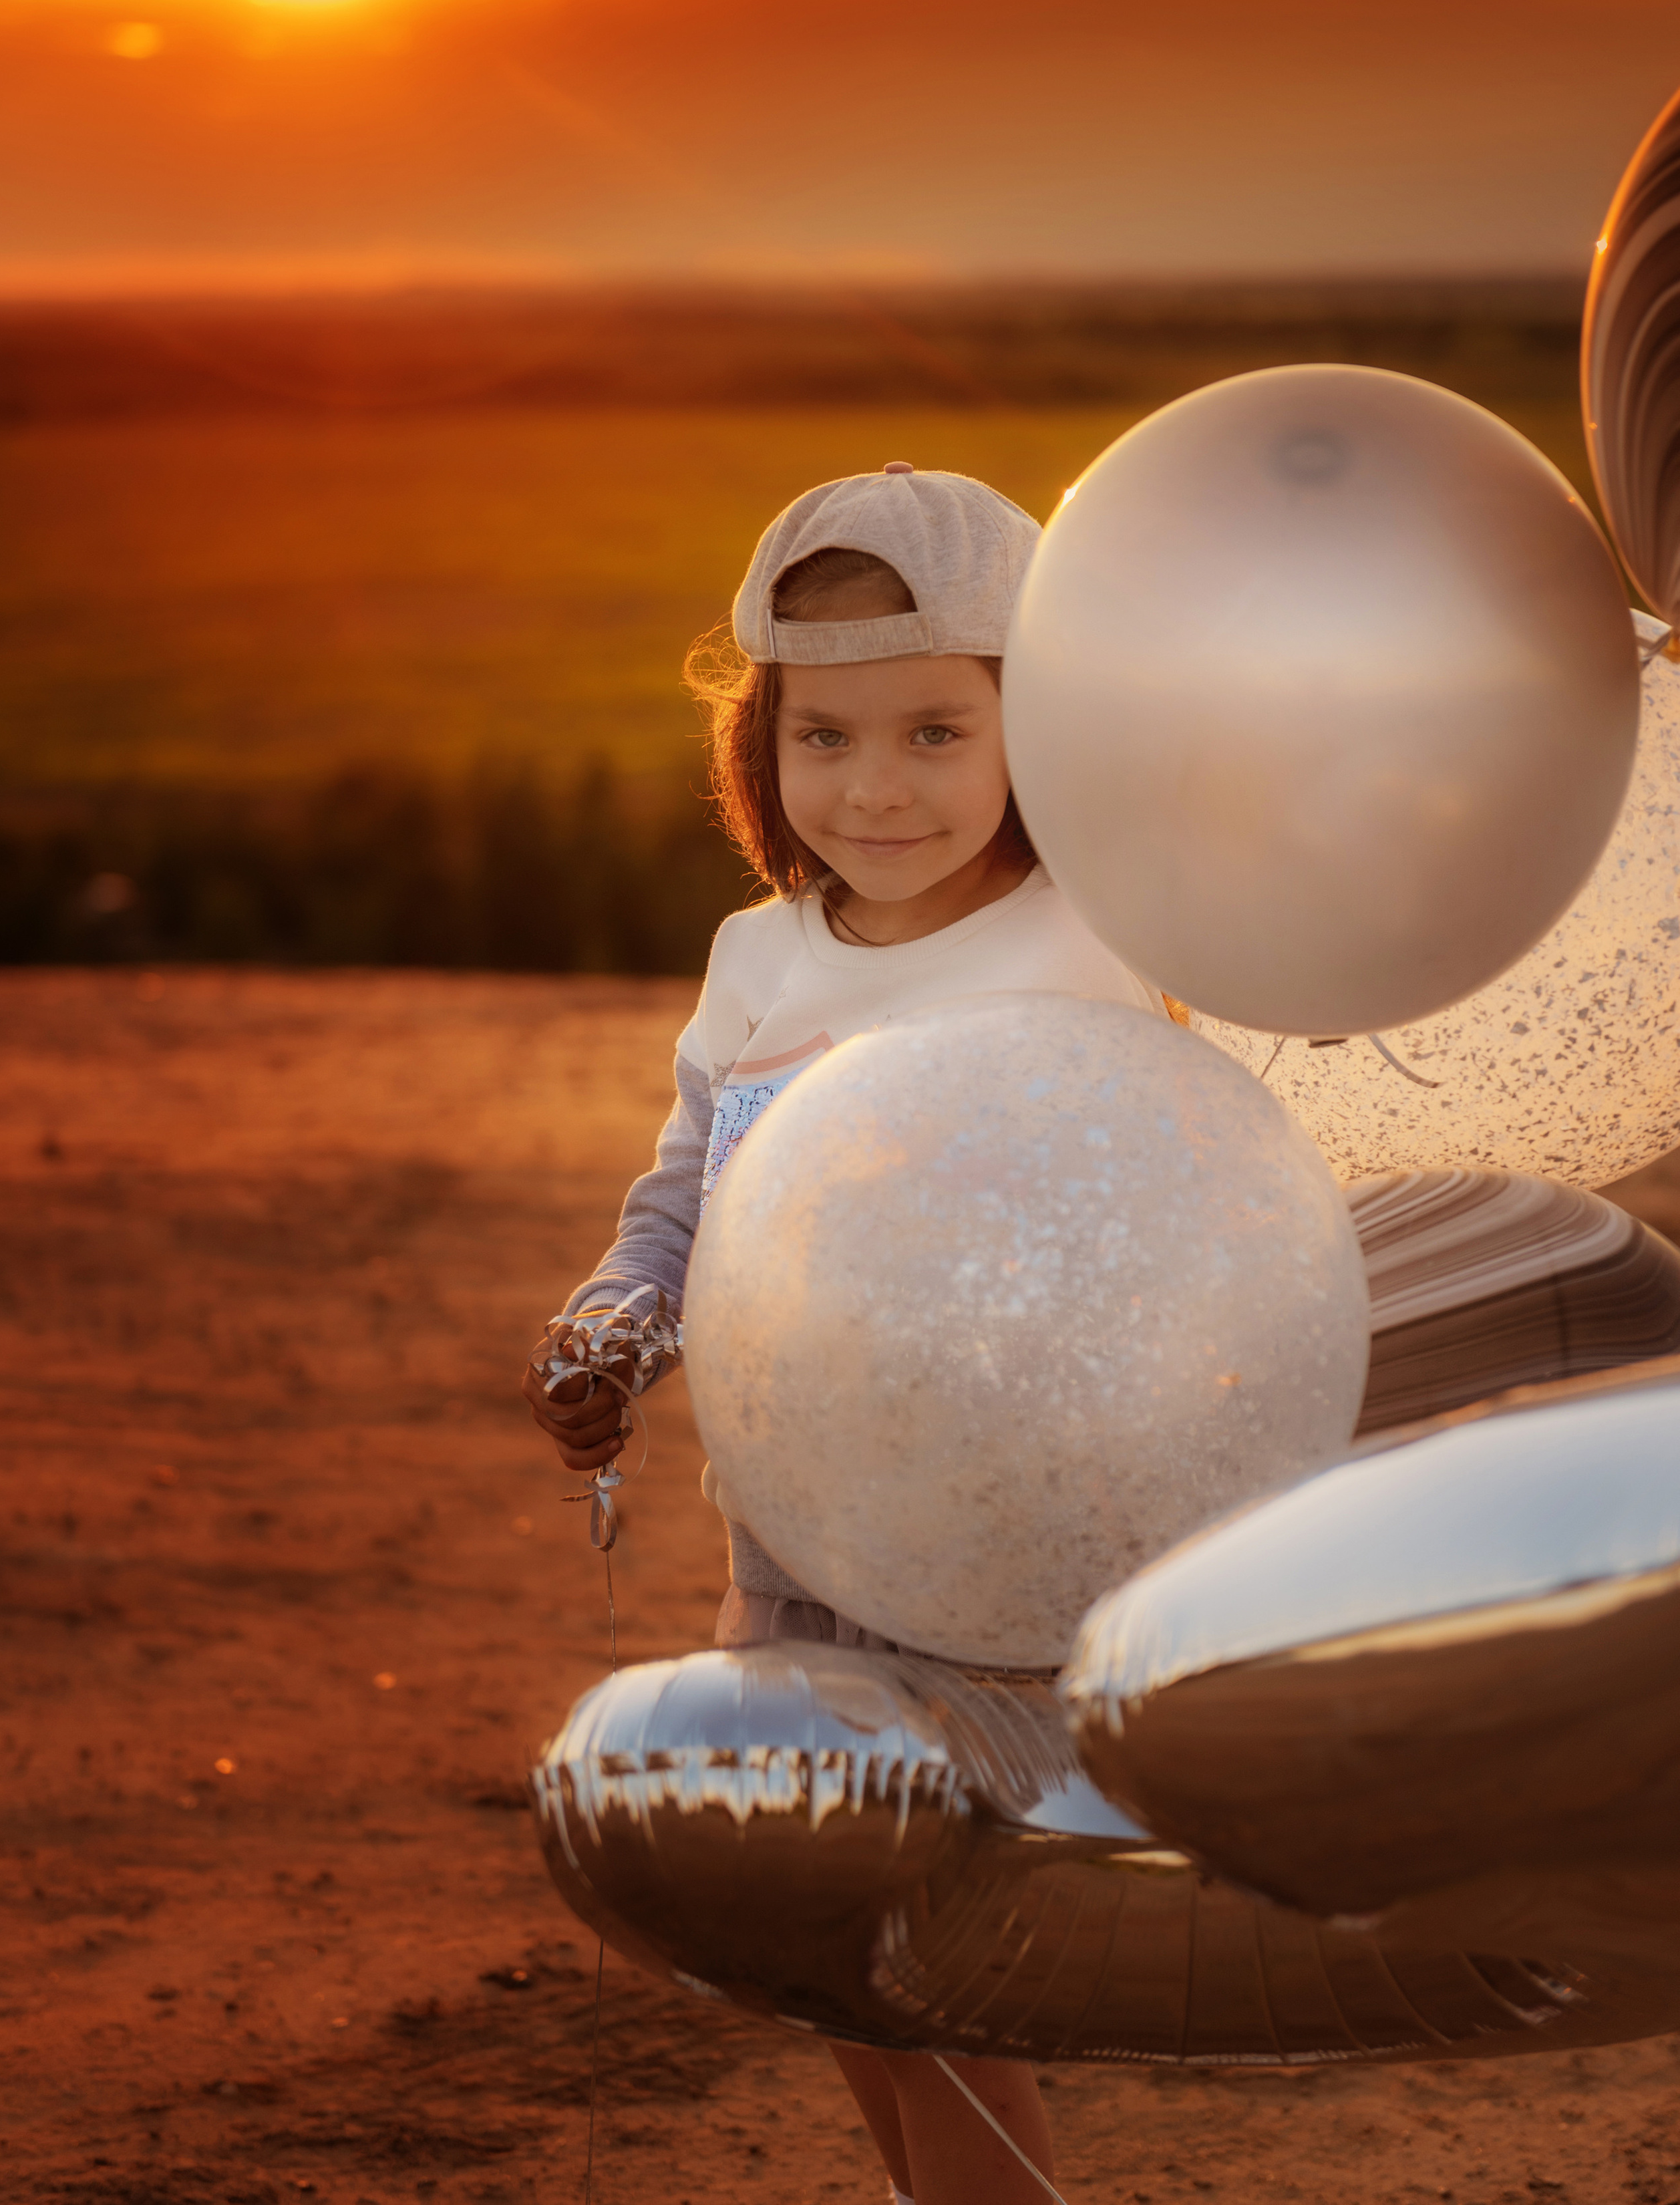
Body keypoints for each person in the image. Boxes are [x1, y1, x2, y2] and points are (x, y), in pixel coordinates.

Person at [526, 462, 1162, 2204]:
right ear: (764, 746)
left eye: (938, 733)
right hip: (785, 1527)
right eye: (827, 737)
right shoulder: (759, 958)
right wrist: (611, 1327)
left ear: (1043, 722)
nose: (875, 789)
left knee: (924, 1950)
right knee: (828, 1935)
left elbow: (1158, 1229)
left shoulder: (1094, 949)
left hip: (985, 1541)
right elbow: (683, 1197)